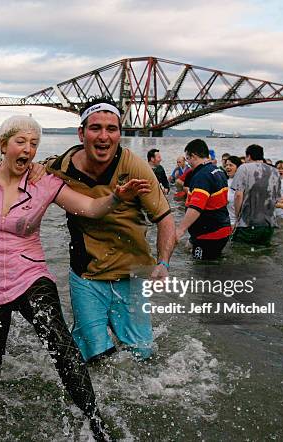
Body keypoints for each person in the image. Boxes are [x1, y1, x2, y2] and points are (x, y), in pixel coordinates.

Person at [0, 115, 148, 440]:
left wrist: (117, 197)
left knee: (61, 343)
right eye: (21, 142)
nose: (28, 149)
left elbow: (91, 209)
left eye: (34, 144)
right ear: (4, 145)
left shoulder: (45, 182)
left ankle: (94, 421)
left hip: (31, 272)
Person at [46, 97, 175, 362]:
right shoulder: (60, 168)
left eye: (111, 128)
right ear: (81, 133)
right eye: (95, 128)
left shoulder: (134, 167)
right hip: (87, 272)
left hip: (133, 271)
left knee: (141, 356)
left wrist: (163, 263)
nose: (104, 136)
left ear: (119, 134)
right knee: (93, 357)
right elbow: (18, 171)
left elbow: (164, 218)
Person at [174, 139, 231, 260]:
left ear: (194, 156)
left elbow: (196, 207)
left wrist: (180, 230)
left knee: (201, 270)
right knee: (215, 264)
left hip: (209, 234)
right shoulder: (218, 171)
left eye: (188, 158)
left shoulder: (202, 176)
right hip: (223, 228)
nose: (188, 163)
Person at [231, 144, 281, 245]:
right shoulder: (275, 171)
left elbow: (238, 195)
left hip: (248, 223)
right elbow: (276, 198)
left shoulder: (244, 168)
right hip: (269, 224)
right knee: (262, 253)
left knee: (240, 253)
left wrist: (237, 217)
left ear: (248, 156)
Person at [224, 155, 242, 225]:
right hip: (227, 221)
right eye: (226, 165)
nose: (227, 167)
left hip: (237, 222)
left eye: (231, 165)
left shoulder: (242, 182)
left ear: (238, 168)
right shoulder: (225, 181)